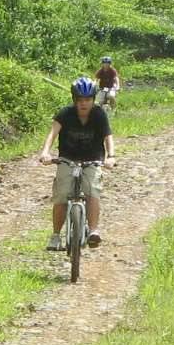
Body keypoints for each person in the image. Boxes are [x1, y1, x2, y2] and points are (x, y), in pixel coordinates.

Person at [39, 76, 113, 251]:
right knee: (62, 195)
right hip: (68, 159)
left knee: (92, 190)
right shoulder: (65, 114)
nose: (84, 104)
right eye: (80, 100)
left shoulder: (99, 114)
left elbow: (108, 136)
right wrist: (45, 152)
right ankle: (56, 235)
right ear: (74, 100)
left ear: (93, 100)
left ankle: (93, 231)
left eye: (87, 100)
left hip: (92, 159)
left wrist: (111, 156)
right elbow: (52, 134)